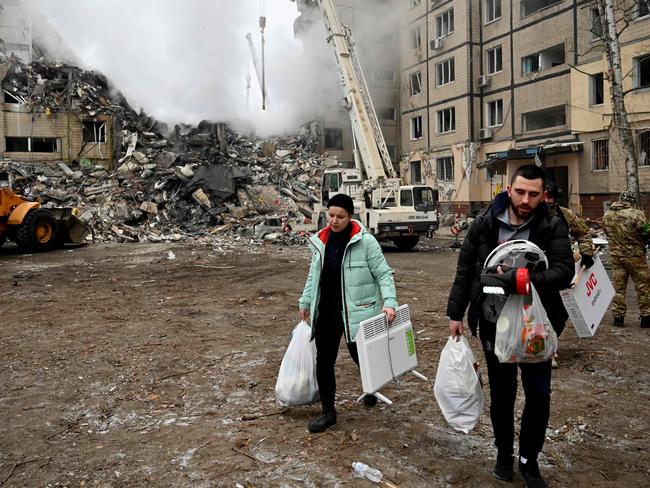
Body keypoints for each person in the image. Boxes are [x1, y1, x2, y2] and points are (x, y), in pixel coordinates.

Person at [446, 165, 574, 488]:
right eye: (520, 192)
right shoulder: (485, 222)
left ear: (543, 194)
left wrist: (524, 279)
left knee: (539, 395)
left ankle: (529, 461)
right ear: (508, 188)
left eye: (534, 194)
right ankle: (504, 453)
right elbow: (465, 269)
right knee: (502, 396)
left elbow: (563, 270)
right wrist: (455, 313)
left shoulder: (551, 225)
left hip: (535, 328)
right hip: (493, 322)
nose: (526, 200)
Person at [298, 193, 398, 433]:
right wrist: (306, 300)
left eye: (340, 216)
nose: (334, 220)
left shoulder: (365, 242)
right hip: (327, 312)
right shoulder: (321, 241)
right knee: (324, 361)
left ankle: (371, 387)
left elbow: (383, 274)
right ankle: (328, 412)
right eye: (330, 215)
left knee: (360, 356)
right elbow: (315, 276)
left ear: (350, 217)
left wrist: (390, 301)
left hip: (357, 313)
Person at [544, 182, 596, 367]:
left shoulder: (565, 214)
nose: (547, 201)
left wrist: (587, 252)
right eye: (544, 196)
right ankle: (547, 351)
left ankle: (551, 341)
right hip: (538, 272)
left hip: (561, 270)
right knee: (540, 310)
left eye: (550, 197)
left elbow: (583, 233)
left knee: (560, 311)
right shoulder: (526, 215)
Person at [601, 190, 650, 328]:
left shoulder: (608, 214)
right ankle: (646, 318)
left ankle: (618, 317)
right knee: (643, 287)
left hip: (617, 257)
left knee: (619, 288)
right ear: (632, 200)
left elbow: (607, 232)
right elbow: (647, 231)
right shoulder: (636, 214)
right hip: (635, 257)